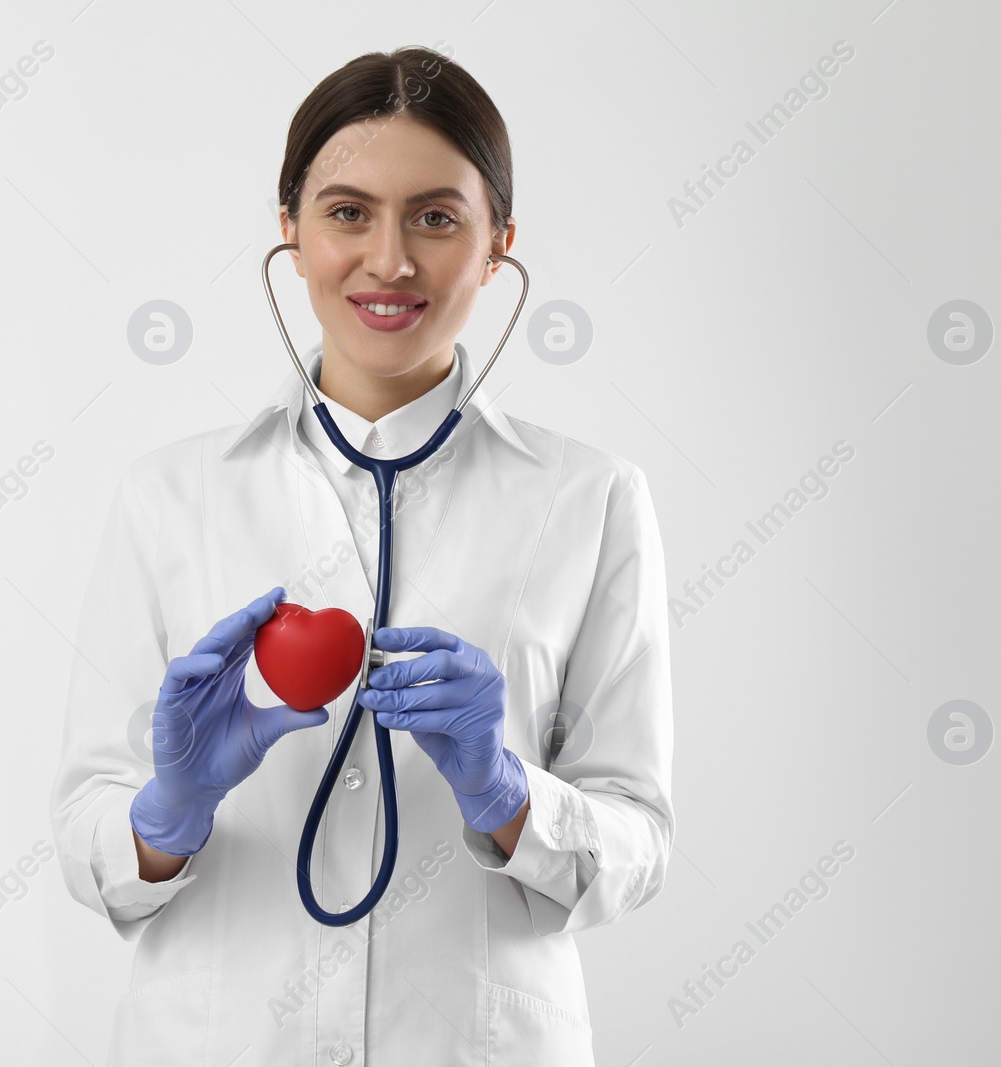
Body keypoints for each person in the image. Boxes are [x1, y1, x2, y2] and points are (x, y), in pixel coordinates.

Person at [49, 45, 674, 1066]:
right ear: (289, 233)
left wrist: (508, 791)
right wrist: (170, 810)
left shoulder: (593, 499)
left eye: (435, 217)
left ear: (496, 244)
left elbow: (637, 844)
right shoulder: (170, 494)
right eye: (347, 213)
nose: (389, 261)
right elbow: (88, 837)